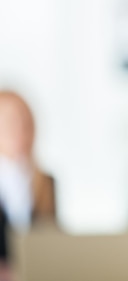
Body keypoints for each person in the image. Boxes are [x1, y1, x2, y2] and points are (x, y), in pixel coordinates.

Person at [0, 90, 56, 275]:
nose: (19, 129)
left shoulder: (46, 183)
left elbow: (54, 243)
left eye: (24, 121)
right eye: (10, 122)